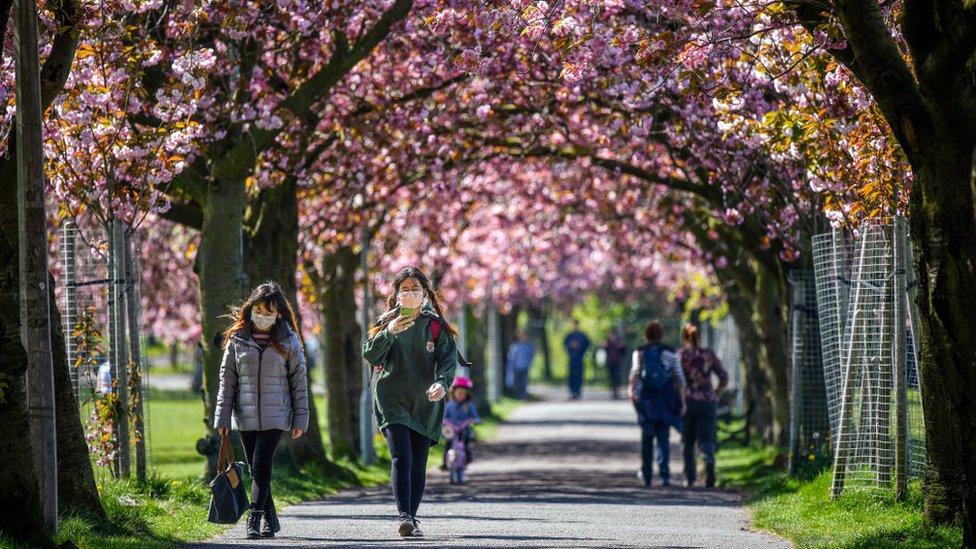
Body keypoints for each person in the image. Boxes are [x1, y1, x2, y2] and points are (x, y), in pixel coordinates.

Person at [363, 267, 458, 538]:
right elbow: (370, 355)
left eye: (416, 289)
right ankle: (404, 516)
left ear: (425, 293)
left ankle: (413, 517)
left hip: (425, 402)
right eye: (405, 290)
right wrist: (389, 332)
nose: (410, 294)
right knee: (400, 457)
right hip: (392, 399)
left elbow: (448, 361)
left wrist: (442, 383)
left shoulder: (435, 325)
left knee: (418, 462)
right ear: (396, 294)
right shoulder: (386, 323)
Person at [214, 282, 309, 539]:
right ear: (250, 309)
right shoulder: (237, 339)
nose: (263, 316)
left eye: (269, 312)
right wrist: (222, 417)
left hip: (276, 415)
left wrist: (301, 417)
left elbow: (298, 381)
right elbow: (227, 381)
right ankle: (271, 520)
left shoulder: (288, 339)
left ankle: (253, 518)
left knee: (261, 465)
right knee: (257, 471)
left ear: (278, 313)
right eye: (259, 310)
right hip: (244, 415)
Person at [629, 320, 686, 487]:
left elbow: (635, 375)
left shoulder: (639, 352)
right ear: (661, 335)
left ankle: (646, 474)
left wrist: (632, 393)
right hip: (665, 400)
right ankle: (664, 475)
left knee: (647, 438)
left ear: (646, 335)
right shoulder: (671, 353)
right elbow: (680, 378)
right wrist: (682, 401)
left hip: (646, 400)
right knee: (663, 438)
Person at [679, 323, 728, 488]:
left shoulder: (681, 355)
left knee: (688, 441)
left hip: (687, 402)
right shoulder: (708, 354)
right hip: (707, 402)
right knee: (706, 439)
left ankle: (690, 478)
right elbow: (723, 376)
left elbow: (674, 380)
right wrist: (716, 393)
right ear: (699, 337)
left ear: (684, 337)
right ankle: (709, 464)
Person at [442, 376, 481, 473]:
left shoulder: (469, 405)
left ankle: (467, 458)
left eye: (463, 393)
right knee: (448, 444)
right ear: (453, 392)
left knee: (466, 444)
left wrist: (474, 420)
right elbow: (444, 416)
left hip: (464, 430)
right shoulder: (449, 405)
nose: (461, 395)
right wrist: (444, 422)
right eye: (459, 393)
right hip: (452, 430)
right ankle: (445, 463)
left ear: (467, 394)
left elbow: (475, 417)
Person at [563, 320, 591, 399]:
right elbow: (565, 344)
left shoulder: (582, 335)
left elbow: (587, 344)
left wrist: (580, 347)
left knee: (579, 375)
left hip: (579, 359)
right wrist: (571, 345)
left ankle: (578, 391)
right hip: (572, 359)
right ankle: (572, 391)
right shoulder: (570, 335)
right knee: (571, 376)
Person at [506, 329, 535, 400]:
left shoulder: (529, 346)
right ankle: (517, 397)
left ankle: (523, 397)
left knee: (524, 382)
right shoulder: (515, 346)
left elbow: (531, 356)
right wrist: (511, 367)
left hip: (525, 367)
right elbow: (511, 358)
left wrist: (529, 363)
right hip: (516, 368)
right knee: (517, 383)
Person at [602, 330, 627, 399]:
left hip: (617, 362)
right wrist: (604, 346)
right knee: (611, 377)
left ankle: (616, 392)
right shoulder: (608, 343)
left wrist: (622, 347)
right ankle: (613, 392)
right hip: (610, 362)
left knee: (617, 377)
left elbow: (624, 352)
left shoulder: (619, 342)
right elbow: (604, 350)